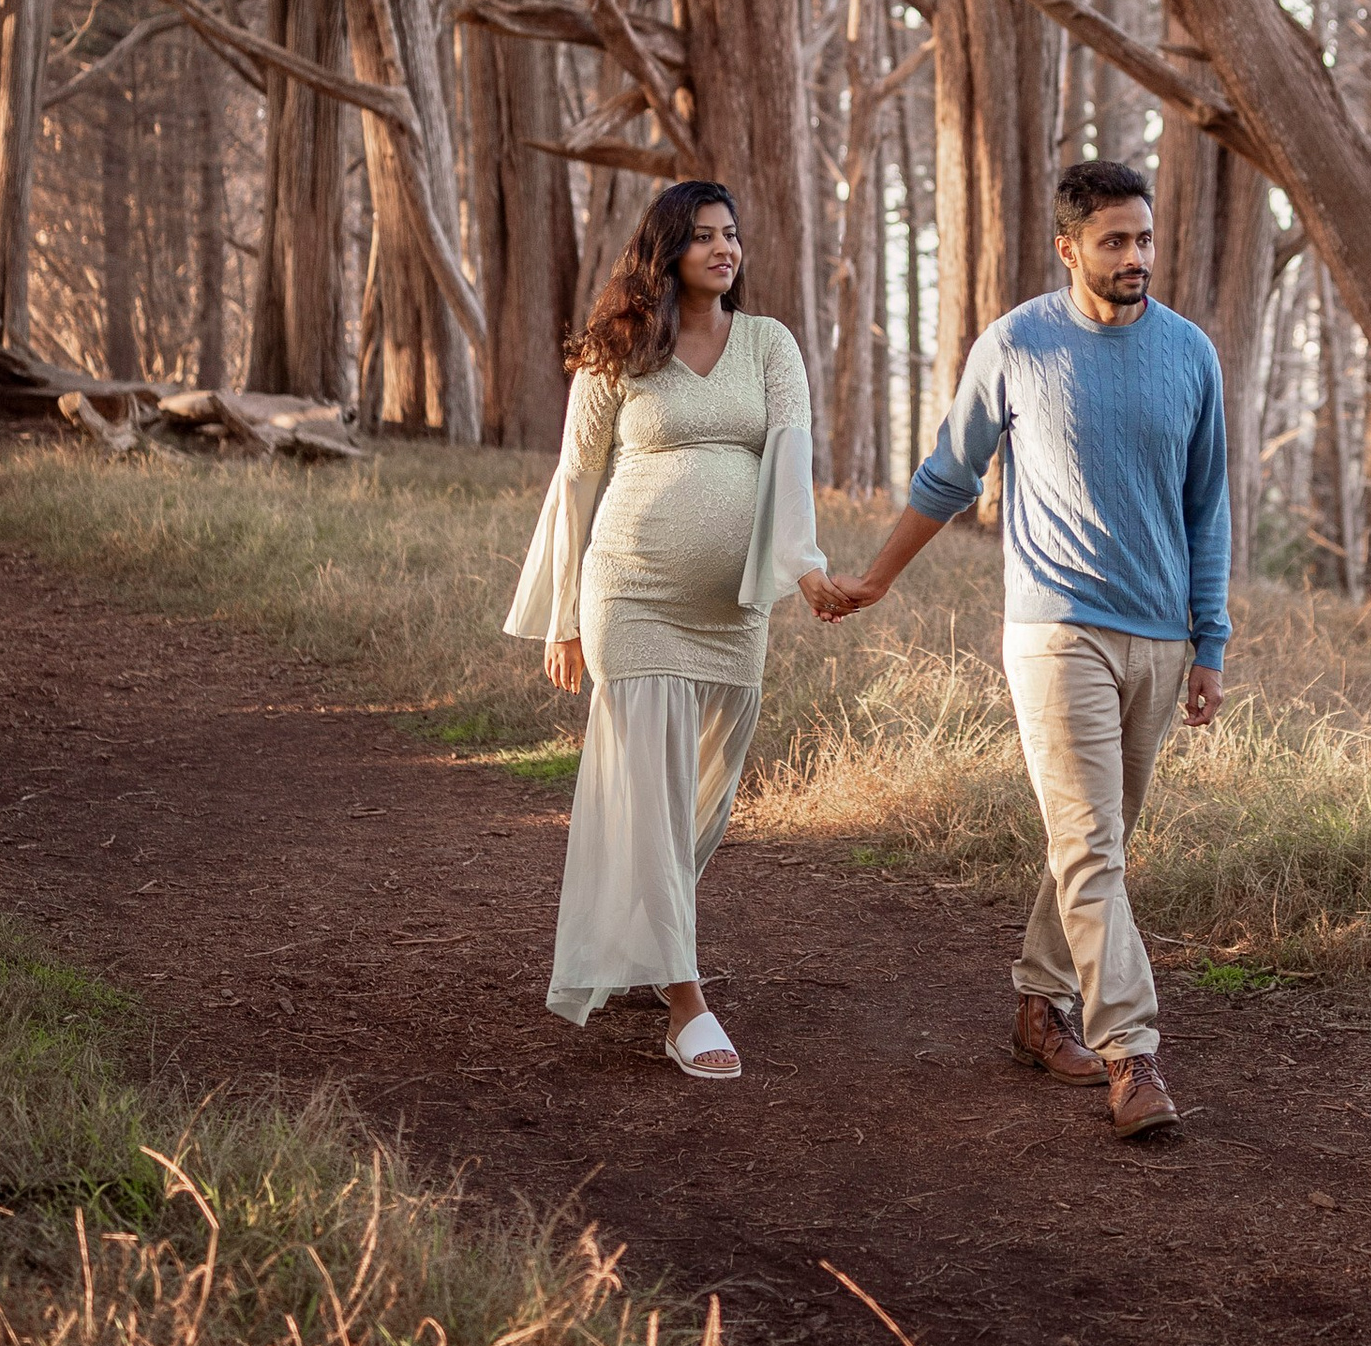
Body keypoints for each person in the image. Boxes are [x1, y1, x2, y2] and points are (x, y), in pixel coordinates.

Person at [817, 157, 1228, 1140]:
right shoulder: (1018, 345)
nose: (1135, 257)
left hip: (1160, 639)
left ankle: (1040, 1008)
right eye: (1114, 241)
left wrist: (1207, 641)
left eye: (1144, 237)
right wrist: (875, 576)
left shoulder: (1189, 353)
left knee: (1098, 843)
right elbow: (947, 474)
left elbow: (1207, 509)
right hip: (1054, 630)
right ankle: (1133, 1056)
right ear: (1069, 247)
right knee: (1091, 844)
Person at [504, 178, 825, 1081]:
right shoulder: (620, 351)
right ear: (667, 250)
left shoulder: (770, 345)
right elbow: (575, 481)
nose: (725, 250)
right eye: (705, 237)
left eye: (733, 235)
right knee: (647, 793)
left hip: (731, 612)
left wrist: (803, 571)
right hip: (632, 593)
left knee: (701, 799)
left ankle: (641, 936)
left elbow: (791, 459)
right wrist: (563, 616)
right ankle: (685, 1001)